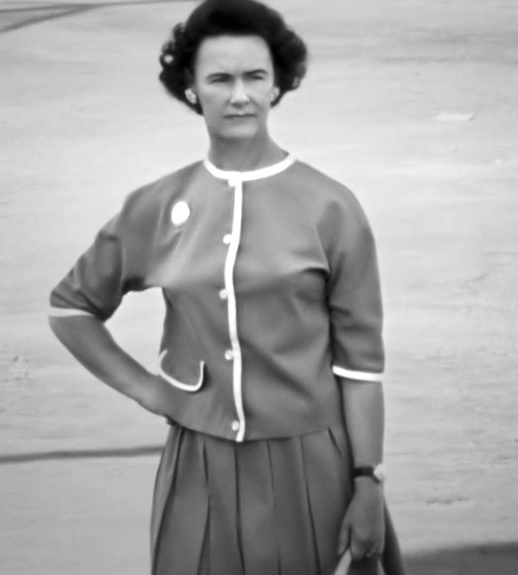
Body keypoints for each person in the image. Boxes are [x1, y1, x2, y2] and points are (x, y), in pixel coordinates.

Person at [48, 0, 407, 573]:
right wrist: (149, 390)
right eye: (220, 79)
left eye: (254, 78)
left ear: (275, 88)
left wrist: (369, 479)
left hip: (311, 463)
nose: (239, 94)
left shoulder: (332, 207)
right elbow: (71, 309)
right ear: (192, 90)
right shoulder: (157, 205)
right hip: (198, 465)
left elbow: (360, 367)